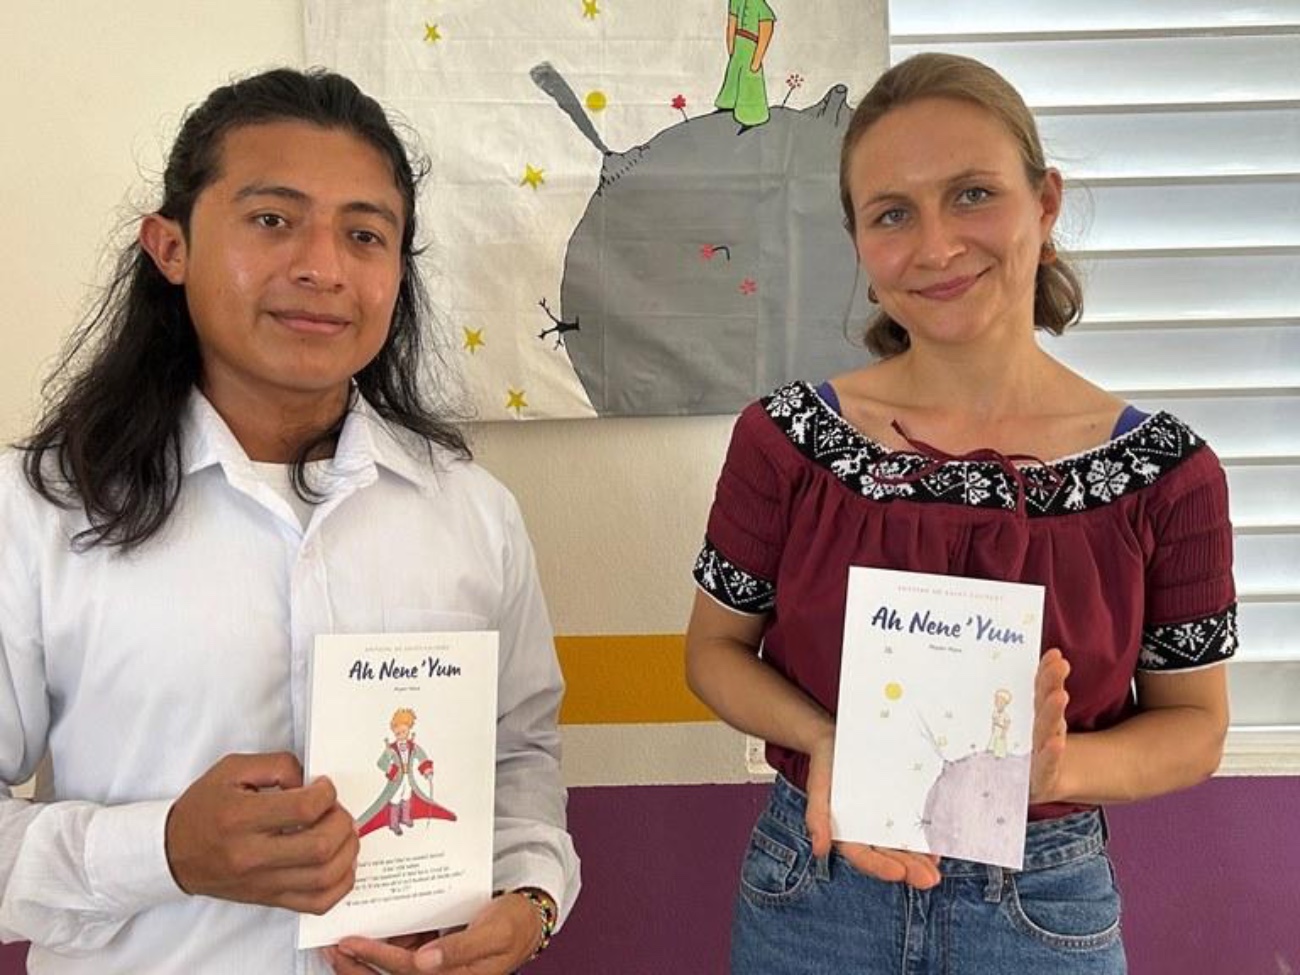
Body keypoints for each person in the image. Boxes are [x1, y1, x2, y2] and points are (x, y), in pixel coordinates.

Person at [0, 67, 578, 975]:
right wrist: (163, 851)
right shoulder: (38, 509)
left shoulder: (471, 513)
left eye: (365, 234)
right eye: (272, 220)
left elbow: (520, 757)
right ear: (171, 246)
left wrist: (530, 898)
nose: (322, 267)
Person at [685, 52, 1234, 974]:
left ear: (1045, 204)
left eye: (973, 194)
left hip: (1042, 903)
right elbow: (711, 651)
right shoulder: (784, 442)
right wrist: (830, 742)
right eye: (893, 213)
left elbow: (1195, 727)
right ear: (860, 243)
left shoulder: (1165, 475)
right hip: (815, 884)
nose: (936, 245)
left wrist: (1059, 772)